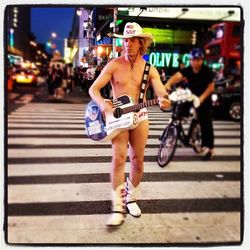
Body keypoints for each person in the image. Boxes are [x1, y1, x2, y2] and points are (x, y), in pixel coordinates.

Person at [89, 22, 170, 227]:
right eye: (125, 40)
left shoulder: (150, 68)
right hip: (118, 117)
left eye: (133, 40)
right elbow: (93, 89)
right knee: (118, 160)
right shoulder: (114, 65)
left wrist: (163, 99)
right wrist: (104, 106)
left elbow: (160, 91)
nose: (128, 44)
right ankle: (117, 207)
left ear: (141, 43)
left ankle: (131, 197)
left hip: (140, 115)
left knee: (138, 161)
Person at [165, 48, 215, 160]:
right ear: (190, 60)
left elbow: (211, 87)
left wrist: (201, 98)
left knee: (205, 123)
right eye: (193, 59)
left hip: (204, 99)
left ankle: (211, 149)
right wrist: (168, 84)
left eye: (198, 59)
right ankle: (175, 132)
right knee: (179, 110)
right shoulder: (188, 69)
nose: (195, 62)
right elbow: (177, 76)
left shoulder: (206, 71)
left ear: (202, 60)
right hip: (191, 96)